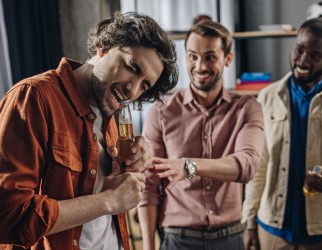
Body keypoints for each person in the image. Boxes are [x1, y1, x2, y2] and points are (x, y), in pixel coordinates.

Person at [0, 11, 178, 250]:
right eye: (132, 67)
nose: (132, 90)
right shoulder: (34, 97)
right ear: (104, 47)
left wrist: (136, 160)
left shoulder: (112, 114)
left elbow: (107, 198)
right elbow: (9, 216)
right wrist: (109, 200)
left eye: (144, 85)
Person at [138, 20, 264, 250]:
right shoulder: (160, 113)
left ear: (227, 59)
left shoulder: (247, 108)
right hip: (178, 239)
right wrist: (148, 247)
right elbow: (148, 187)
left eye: (210, 57)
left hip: (231, 238)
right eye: (192, 56)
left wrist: (189, 166)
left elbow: (248, 165)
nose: (200, 66)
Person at [242, 17, 322, 250]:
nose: (302, 61)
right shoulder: (267, 97)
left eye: (315, 55)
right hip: (271, 228)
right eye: (299, 50)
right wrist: (249, 222)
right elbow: (259, 165)